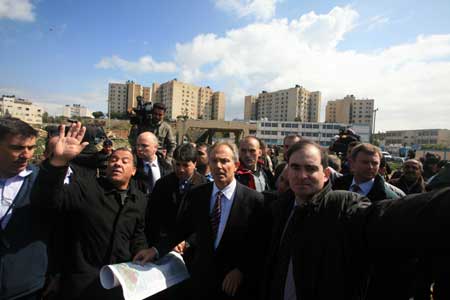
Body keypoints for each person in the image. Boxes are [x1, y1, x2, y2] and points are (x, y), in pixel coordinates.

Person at [261, 140, 450, 300]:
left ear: (326, 175)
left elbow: (385, 216)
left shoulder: (342, 205)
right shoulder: (278, 208)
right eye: (295, 167)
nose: (301, 176)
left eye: (310, 168)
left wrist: (442, 202)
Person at [134, 141, 268, 300]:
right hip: (202, 281)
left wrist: (241, 270)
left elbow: (259, 244)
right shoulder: (198, 195)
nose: (219, 166)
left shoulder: (254, 201)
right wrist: (155, 250)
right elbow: (182, 230)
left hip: (234, 285)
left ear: (236, 164)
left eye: (224, 161)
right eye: (214, 161)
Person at [31, 122, 148, 300]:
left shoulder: (139, 199)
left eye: (125, 161)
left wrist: (141, 251)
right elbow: (49, 201)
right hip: (83, 284)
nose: (117, 164)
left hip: (121, 282)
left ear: (133, 171)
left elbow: (137, 233)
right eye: (113, 160)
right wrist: (58, 163)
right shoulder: (87, 188)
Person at [0, 117, 48, 300]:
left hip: (25, 288)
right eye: (17, 148)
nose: (26, 155)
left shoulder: (43, 182)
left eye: (31, 148)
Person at [333, 143, 405, 201]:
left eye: (375, 163)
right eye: (365, 162)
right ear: (352, 164)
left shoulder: (389, 199)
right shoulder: (336, 185)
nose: (370, 167)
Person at [134, 131, 172, 196]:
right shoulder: (133, 167)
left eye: (144, 146)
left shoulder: (167, 168)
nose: (139, 149)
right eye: (138, 145)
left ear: (155, 147)